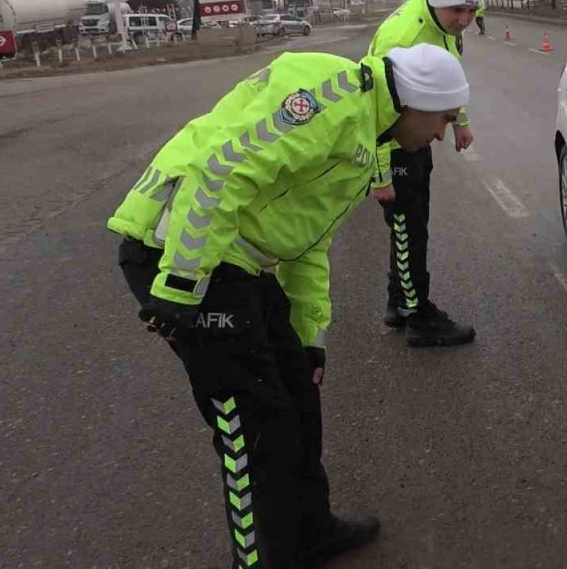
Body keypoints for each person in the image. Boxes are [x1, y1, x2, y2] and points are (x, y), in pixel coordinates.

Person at [109, 44, 468, 569]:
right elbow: (223, 168)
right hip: (178, 249)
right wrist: (181, 284)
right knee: (251, 423)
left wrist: (309, 337)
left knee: (298, 398)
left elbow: (308, 239)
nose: (441, 133)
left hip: (233, 256)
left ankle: (307, 533)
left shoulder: (367, 132)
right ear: (415, 103)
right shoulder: (335, 100)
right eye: (443, 118)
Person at [368, 0, 480, 348]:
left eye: (472, 10)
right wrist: (380, 175)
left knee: (413, 225)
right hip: (393, 141)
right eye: (458, 11)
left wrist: (459, 119)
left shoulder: (442, 22)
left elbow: (450, 75)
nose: (465, 20)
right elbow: (375, 109)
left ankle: (398, 302)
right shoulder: (402, 37)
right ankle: (418, 316)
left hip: (415, 134)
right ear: (437, 2)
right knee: (407, 228)